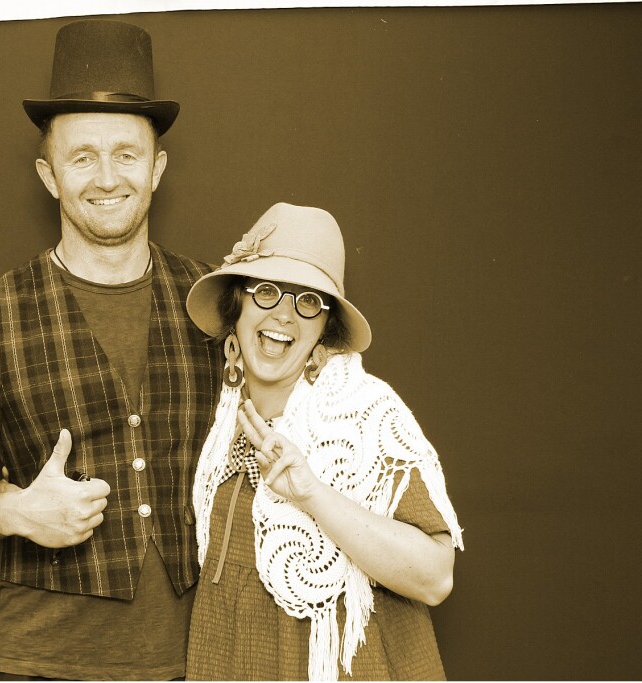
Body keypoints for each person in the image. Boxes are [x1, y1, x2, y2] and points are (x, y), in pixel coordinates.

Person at [0, 19, 222, 681]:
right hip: (36, 665)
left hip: (199, 662)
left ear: (157, 168)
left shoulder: (216, 303)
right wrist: (7, 509)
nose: (107, 178)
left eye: (126, 154)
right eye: (82, 157)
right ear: (49, 175)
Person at [183, 203, 464, 681]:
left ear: (324, 327)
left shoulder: (365, 411)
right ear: (237, 304)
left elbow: (435, 577)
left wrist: (312, 493)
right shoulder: (219, 412)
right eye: (266, 291)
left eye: (308, 301)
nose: (284, 316)